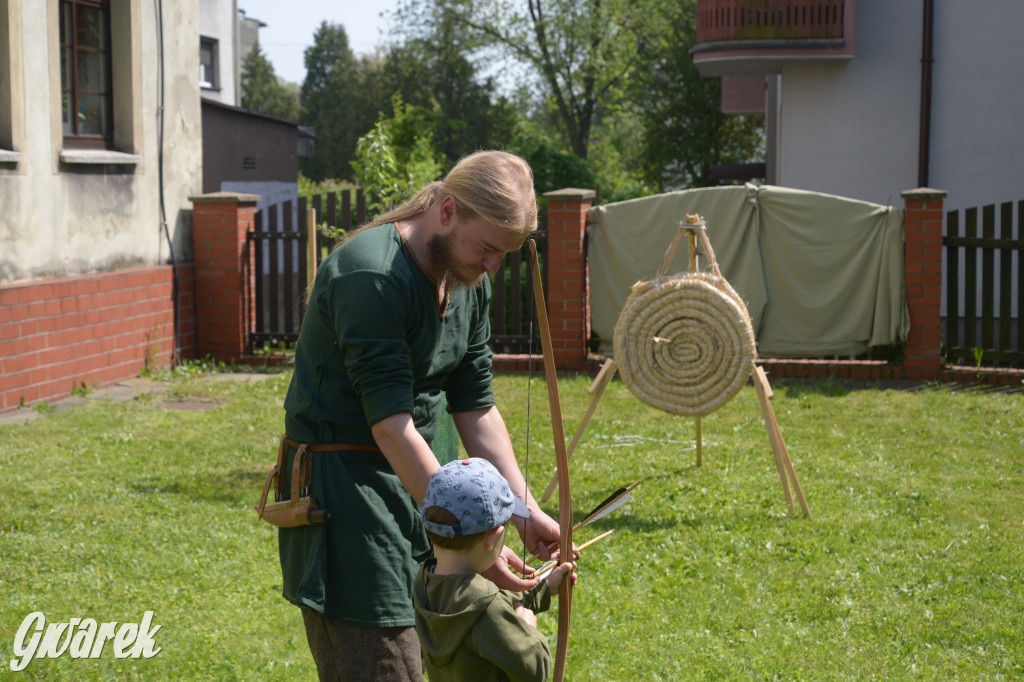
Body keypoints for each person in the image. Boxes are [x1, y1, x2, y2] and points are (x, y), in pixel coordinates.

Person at [277, 150, 562, 681]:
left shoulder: (468, 277)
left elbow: (475, 407)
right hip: (351, 506)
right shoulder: (372, 274)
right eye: (489, 248)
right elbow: (391, 426)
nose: (495, 265)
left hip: (429, 489)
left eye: (506, 253)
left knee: (442, 660)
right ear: (448, 211)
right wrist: (470, 525)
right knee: (388, 665)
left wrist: (521, 510)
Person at [414, 458, 576, 682]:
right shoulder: (485, 608)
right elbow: (535, 669)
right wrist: (528, 628)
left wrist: (544, 586)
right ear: (494, 537)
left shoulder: (425, 582)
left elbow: (492, 605)